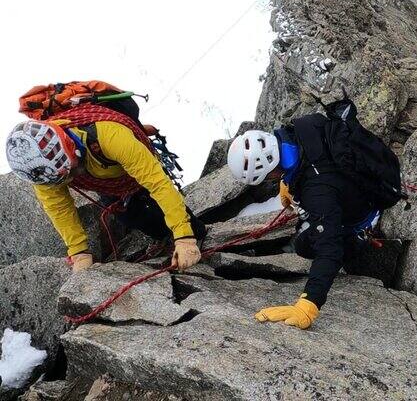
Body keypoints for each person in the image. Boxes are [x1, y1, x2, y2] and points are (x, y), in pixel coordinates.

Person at [5, 105, 205, 273]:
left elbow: (157, 183)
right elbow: (59, 209)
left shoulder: (109, 136)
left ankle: (192, 234)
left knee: (193, 230)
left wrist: (185, 236)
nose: (72, 178)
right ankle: (165, 238)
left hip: (131, 169)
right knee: (129, 217)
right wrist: (79, 253)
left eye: (71, 170)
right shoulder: (43, 174)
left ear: (69, 145)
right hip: (109, 184)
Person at [227, 117, 382, 330]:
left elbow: (330, 250)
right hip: (353, 189)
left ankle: (359, 238)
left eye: (268, 178)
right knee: (307, 238)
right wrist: (288, 182)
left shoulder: (318, 192)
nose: (270, 181)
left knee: (307, 246)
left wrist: (308, 304)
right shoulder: (300, 130)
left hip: (362, 214)